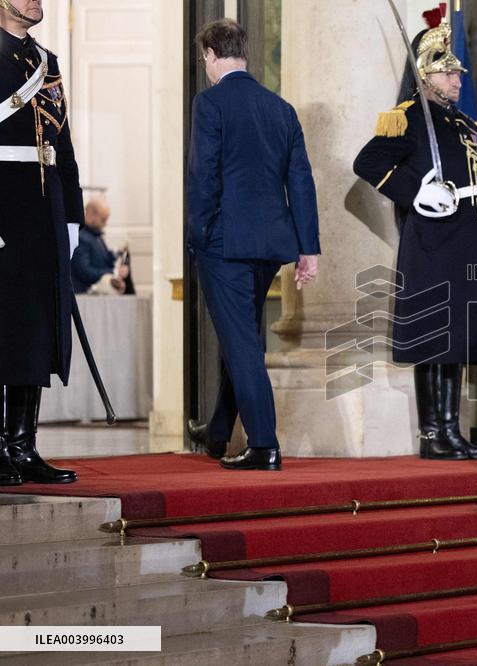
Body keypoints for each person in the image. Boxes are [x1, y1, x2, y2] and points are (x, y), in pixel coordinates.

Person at [353, 11, 477, 461]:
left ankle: (451, 429)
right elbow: (368, 163)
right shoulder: (409, 118)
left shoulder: (463, 125)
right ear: (425, 73)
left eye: (458, 72)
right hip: (436, 244)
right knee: (436, 338)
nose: (458, 78)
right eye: (448, 71)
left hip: (470, 243)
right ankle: (432, 433)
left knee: (458, 340)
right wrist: (414, 191)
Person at [185, 18, 319, 471]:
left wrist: (196, 236)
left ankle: (264, 444)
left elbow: (203, 178)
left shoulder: (210, 103)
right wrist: (308, 248)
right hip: (269, 246)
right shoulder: (280, 108)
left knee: (241, 344)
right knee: (239, 337)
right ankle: (218, 433)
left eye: (204, 57)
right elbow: (301, 182)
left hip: (224, 244)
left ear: (210, 54)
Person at [0, 0, 80, 485]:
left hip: (41, 211)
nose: (37, 1)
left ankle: (21, 446)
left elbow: (62, 143)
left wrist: (71, 217)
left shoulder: (44, 61)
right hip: (3, 204)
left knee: (34, 329)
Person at [71, 197, 129, 294]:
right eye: (103, 219)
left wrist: (117, 254)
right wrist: (114, 272)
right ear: (91, 215)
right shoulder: (81, 237)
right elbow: (84, 272)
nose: (105, 224)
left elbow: (103, 260)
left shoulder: (96, 236)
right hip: (83, 295)